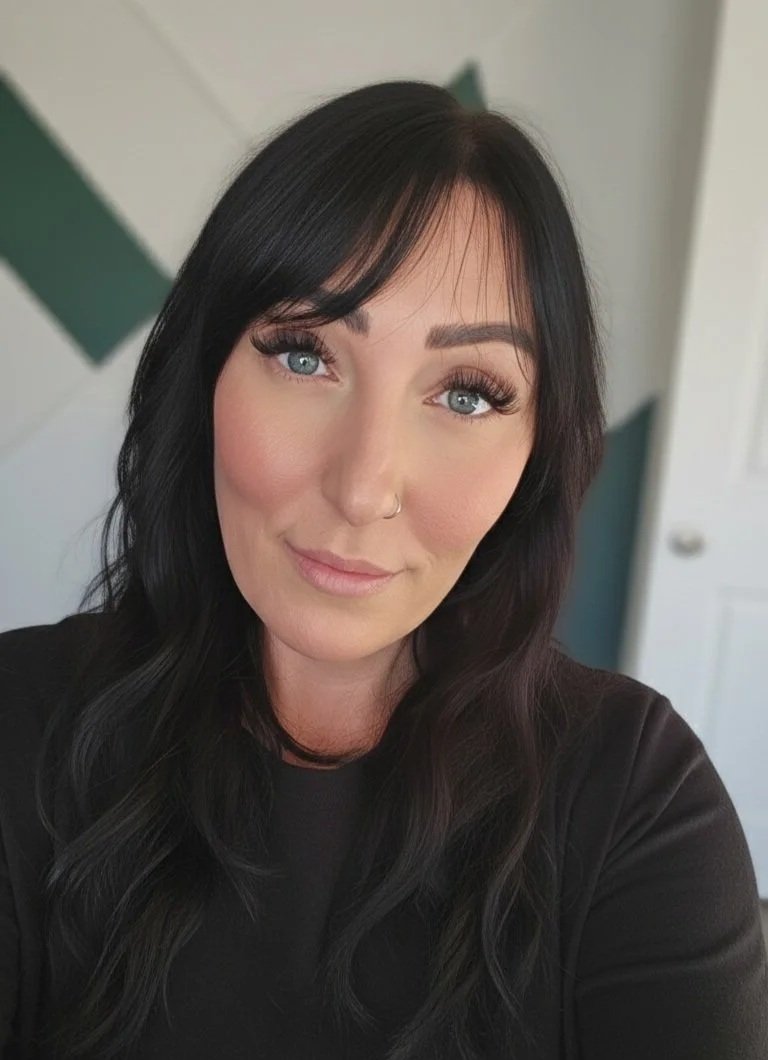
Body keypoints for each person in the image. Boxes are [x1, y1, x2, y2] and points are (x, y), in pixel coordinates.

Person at [0, 79, 765, 1060]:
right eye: (305, 355)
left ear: (538, 455)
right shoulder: (19, 723)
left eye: (469, 393)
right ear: (205, 380)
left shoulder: (635, 799)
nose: (364, 486)